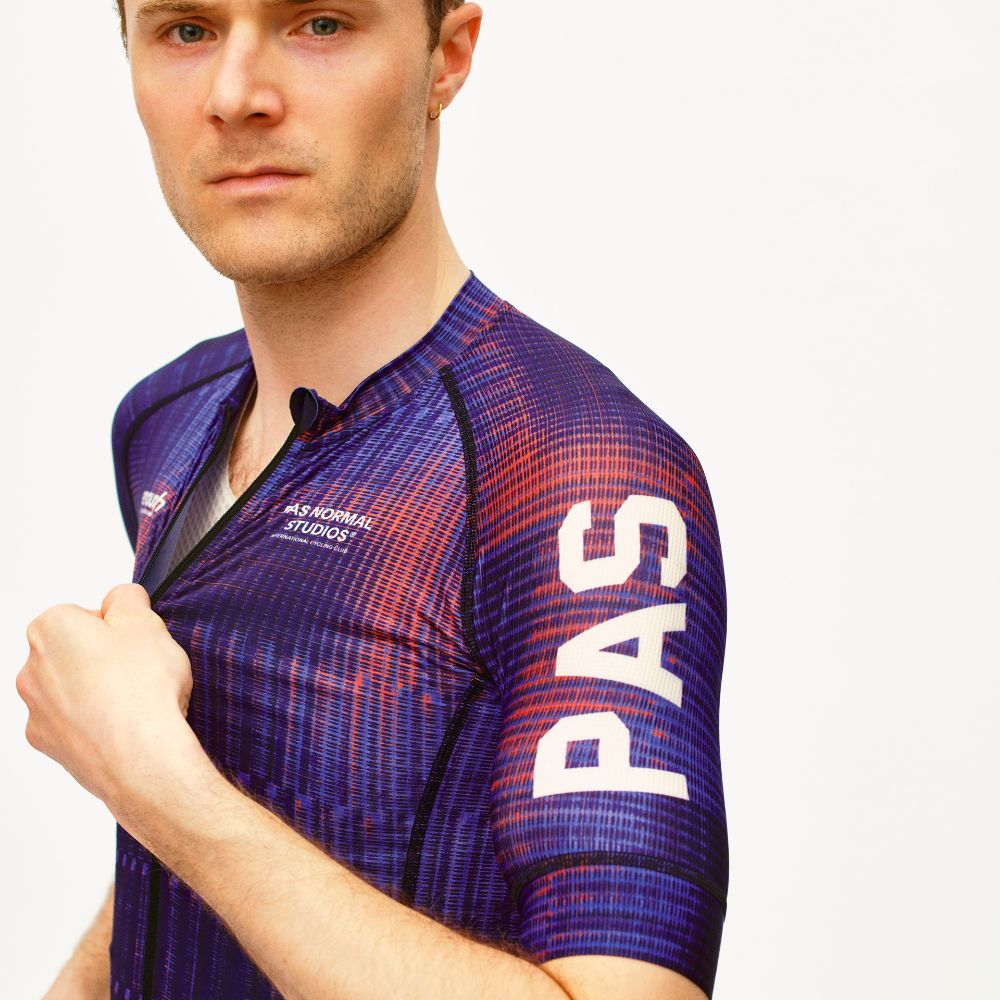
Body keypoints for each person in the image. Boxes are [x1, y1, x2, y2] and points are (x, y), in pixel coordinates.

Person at [17, 2, 729, 998]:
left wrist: (157, 787)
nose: (236, 95)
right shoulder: (166, 417)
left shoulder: (581, 469)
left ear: (447, 57)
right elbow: (214, 830)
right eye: (186, 30)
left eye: (319, 23)